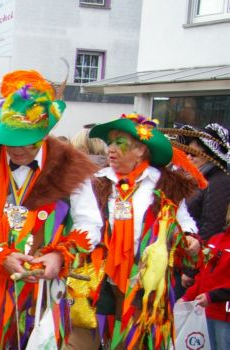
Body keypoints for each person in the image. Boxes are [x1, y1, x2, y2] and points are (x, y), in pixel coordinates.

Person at [0, 70, 102, 349]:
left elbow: (89, 223)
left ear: (44, 133)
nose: (16, 150)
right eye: (10, 140)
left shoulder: (70, 166)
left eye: (26, 141)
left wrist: (60, 255)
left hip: (42, 291)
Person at [71, 113, 205, 349]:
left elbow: (183, 220)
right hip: (98, 275)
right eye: (110, 143)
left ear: (141, 150)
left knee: (133, 341)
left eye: (119, 143)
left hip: (143, 277)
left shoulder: (165, 184)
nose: (111, 149)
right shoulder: (97, 182)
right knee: (83, 337)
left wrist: (189, 237)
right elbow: (82, 221)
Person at [181, 213, 230, 350]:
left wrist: (211, 296)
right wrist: (187, 297)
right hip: (205, 312)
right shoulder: (215, 240)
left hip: (225, 317)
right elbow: (202, 274)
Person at [176, 123, 230, 241]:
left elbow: (212, 226)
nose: (188, 158)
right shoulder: (196, 177)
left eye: (194, 154)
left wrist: (194, 245)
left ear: (212, 157)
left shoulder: (220, 181)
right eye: (187, 152)